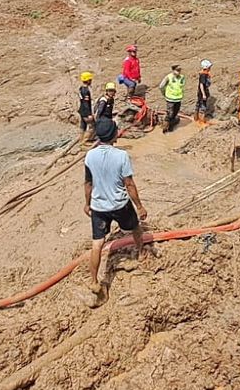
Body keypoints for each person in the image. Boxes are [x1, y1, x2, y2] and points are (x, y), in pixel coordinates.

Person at [82, 118, 149, 307]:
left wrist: (87, 204)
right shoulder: (121, 156)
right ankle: (141, 252)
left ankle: (94, 281)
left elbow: (88, 183)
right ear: (115, 135)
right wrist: (140, 206)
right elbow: (129, 184)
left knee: (97, 245)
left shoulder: (90, 156)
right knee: (135, 227)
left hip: (99, 207)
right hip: (119, 205)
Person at [157, 64, 186, 133]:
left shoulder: (182, 77)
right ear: (173, 70)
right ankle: (164, 128)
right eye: (177, 70)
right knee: (169, 114)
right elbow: (161, 86)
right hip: (170, 99)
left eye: (179, 70)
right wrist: (164, 94)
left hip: (178, 99)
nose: (178, 72)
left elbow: (181, 87)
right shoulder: (168, 77)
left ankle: (171, 127)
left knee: (175, 113)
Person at [195, 59, 213, 125]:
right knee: (202, 107)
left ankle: (196, 118)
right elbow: (201, 84)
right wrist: (204, 94)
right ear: (207, 67)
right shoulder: (203, 75)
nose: (210, 68)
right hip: (202, 93)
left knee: (198, 105)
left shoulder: (205, 74)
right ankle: (201, 122)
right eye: (209, 67)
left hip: (201, 93)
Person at [77, 71, 94, 139]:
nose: (91, 81)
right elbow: (86, 103)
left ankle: (81, 139)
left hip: (81, 110)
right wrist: (89, 114)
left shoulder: (81, 88)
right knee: (92, 126)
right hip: (85, 112)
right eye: (90, 80)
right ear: (88, 80)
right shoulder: (86, 91)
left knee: (83, 126)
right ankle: (86, 140)